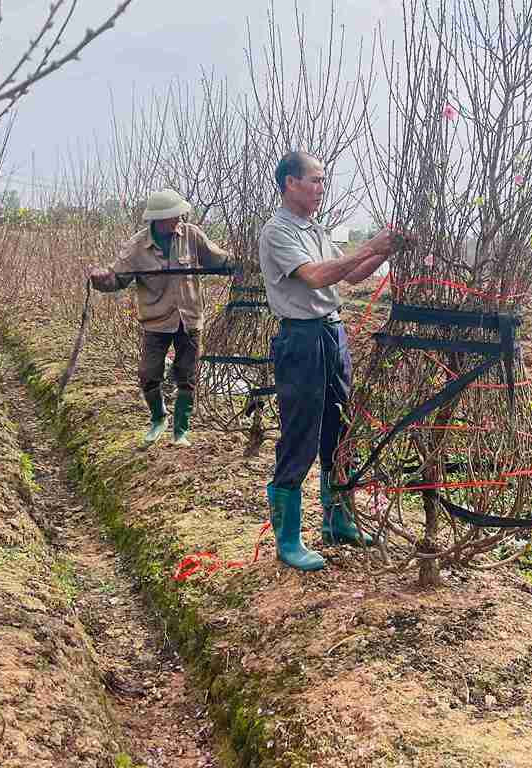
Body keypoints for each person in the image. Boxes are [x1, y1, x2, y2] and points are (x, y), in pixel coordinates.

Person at [258, 151, 410, 571]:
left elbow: (352, 275)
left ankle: (337, 520)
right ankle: (287, 541)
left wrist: (385, 251)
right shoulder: (277, 232)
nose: (322, 187)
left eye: (323, 181)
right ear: (290, 182)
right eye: (316, 180)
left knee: (339, 430)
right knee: (300, 435)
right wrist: (369, 245)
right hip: (301, 340)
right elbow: (318, 276)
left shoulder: (315, 229)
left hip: (332, 334)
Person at [89, 188, 231, 446]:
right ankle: (158, 417)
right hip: (156, 321)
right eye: (172, 216)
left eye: (179, 214)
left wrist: (240, 264)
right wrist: (101, 280)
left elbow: (218, 258)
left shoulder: (191, 235)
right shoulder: (137, 247)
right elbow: (116, 278)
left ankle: (181, 431)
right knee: (148, 372)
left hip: (189, 319)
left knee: (187, 375)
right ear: (158, 220)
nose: (178, 219)